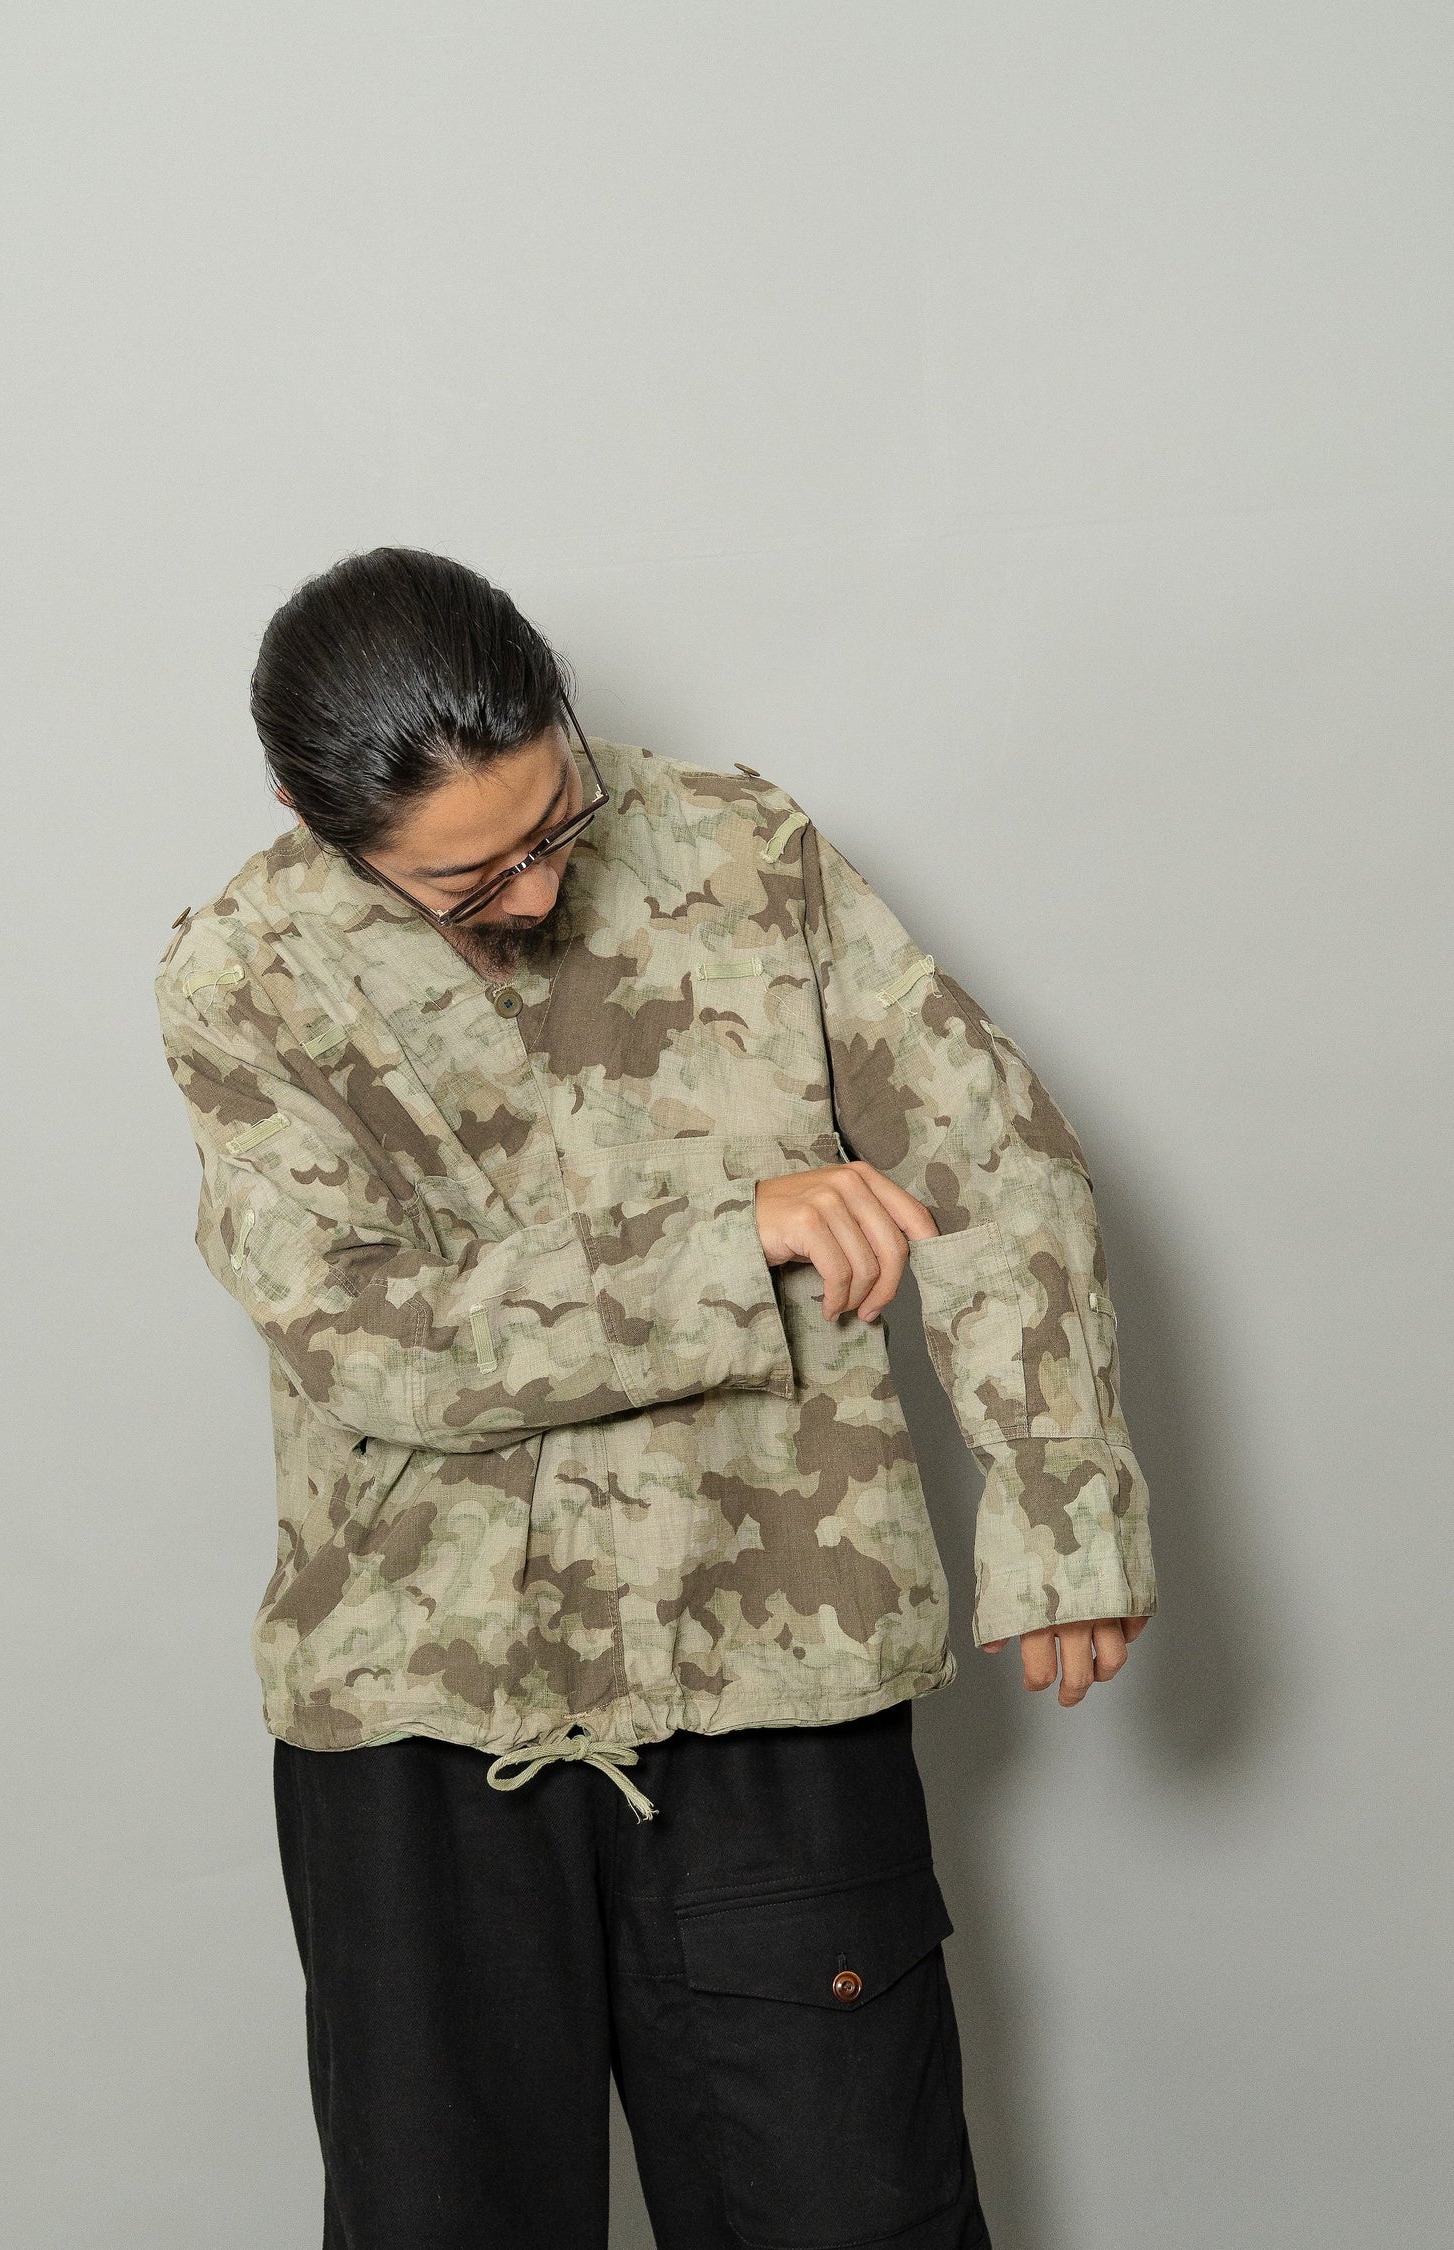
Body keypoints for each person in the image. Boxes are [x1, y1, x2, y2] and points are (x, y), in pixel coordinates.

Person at [156, 546, 1155, 2250]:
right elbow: (372, 1336)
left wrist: (1059, 1493)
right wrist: (733, 1240)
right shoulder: (242, 981)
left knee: (859, 2214)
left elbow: (996, 1157)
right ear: (312, 821)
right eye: (470, 881)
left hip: (775, 1664)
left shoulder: (751, 853)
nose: (540, 890)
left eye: (558, 824)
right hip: (422, 1728)